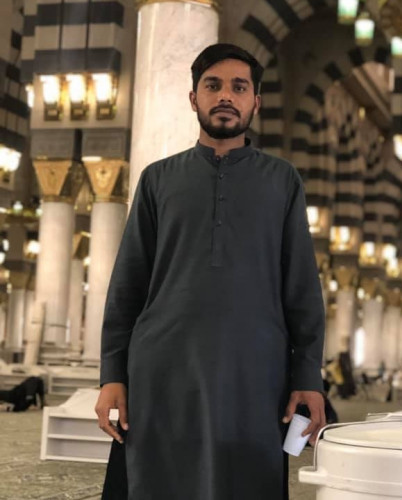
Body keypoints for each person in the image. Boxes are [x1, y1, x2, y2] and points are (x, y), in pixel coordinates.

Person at [95, 43, 326, 500]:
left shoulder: (282, 181)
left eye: (239, 87)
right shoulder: (158, 179)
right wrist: (112, 374)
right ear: (193, 98)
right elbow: (128, 284)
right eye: (213, 85)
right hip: (162, 371)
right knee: (157, 482)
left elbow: (301, 288)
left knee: (247, 482)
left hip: (255, 374)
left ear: (255, 102)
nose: (225, 96)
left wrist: (307, 378)